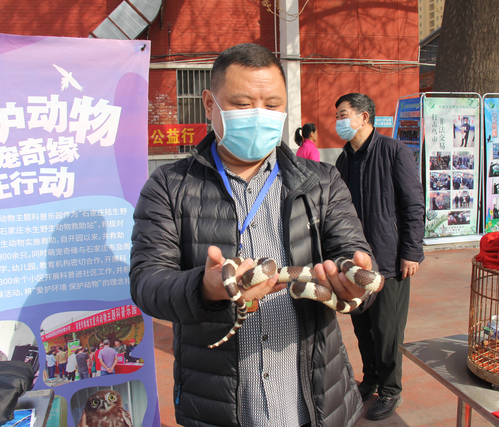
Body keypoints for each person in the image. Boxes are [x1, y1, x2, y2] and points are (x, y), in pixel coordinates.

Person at [130, 43, 378, 427]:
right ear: (210, 104)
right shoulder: (168, 185)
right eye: (243, 104)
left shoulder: (322, 182)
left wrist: (358, 280)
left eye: (272, 104)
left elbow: (352, 252)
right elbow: (147, 283)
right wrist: (206, 288)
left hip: (316, 403)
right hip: (218, 406)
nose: (260, 115)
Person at [334, 93, 425, 421]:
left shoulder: (393, 151)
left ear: (364, 117)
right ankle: (370, 378)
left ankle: (390, 389)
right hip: (356, 263)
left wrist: (411, 252)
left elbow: (414, 204)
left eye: (344, 114)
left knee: (387, 331)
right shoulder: (344, 160)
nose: (339, 122)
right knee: (362, 328)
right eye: (338, 115)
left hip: (388, 261)